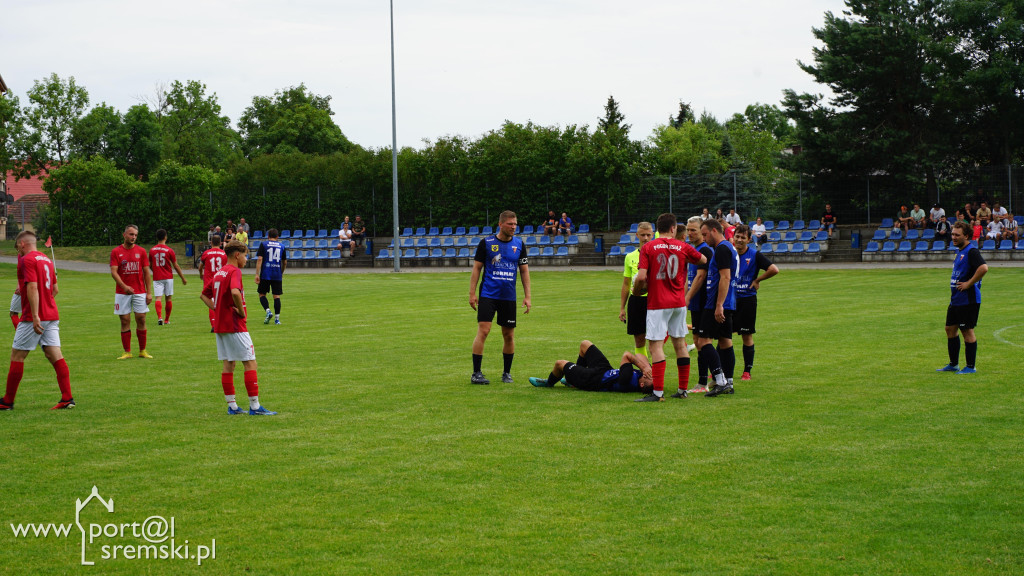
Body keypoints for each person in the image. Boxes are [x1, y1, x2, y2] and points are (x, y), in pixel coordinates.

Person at [632, 213, 706, 401]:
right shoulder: (683, 246)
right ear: (673, 228)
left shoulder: (648, 247)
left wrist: (637, 291)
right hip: (678, 303)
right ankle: (682, 390)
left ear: (657, 229)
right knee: (680, 344)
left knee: (655, 346)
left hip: (658, 303)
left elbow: (641, 277)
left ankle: (657, 393)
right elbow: (703, 260)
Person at [200, 240, 277, 415]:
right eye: (245, 255)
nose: (246, 259)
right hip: (235, 324)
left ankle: (233, 406)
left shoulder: (219, 273)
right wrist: (241, 312)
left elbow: (203, 295)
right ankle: (255, 406)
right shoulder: (234, 271)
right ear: (237, 255)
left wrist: (216, 308)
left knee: (229, 364)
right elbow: (235, 292)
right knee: (250, 363)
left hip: (221, 325)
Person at [0, 231, 74, 410]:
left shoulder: (27, 260)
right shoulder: (47, 260)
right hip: (52, 314)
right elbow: (55, 289)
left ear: (22, 244)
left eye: (17, 246)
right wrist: (46, 304)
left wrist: (35, 315)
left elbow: (32, 287)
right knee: (54, 354)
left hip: (34, 316)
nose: (17, 250)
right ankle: (67, 398)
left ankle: (7, 401)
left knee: (17, 355)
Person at [469, 210, 531, 384]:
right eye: (510, 224)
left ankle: (506, 373)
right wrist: (472, 293)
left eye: (515, 224)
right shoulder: (486, 243)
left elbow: (524, 272)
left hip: (508, 297)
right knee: (484, 330)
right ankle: (476, 373)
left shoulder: (519, 244)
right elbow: (476, 269)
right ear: (501, 224)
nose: (513, 227)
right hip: (488, 294)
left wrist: (528, 297)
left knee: (509, 335)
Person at [936, 221, 988, 375]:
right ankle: (953, 364)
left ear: (966, 236)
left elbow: (983, 268)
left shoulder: (972, 251)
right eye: (952, 234)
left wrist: (968, 284)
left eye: (957, 235)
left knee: (967, 331)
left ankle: (970, 367)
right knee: (950, 329)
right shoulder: (960, 251)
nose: (953, 237)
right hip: (956, 300)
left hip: (968, 300)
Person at [696, 218, 740, 397]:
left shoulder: (722, 248)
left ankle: (720, 380)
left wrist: (718, 305)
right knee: (725, 340)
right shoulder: (730, 247)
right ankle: (728, 381)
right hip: (728, 302)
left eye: (705, 234)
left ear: (715, 230)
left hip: (717, 303)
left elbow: (725, 277)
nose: (704, 238)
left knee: (703, 341)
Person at [731, 225, 779, 381]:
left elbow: (774, 269)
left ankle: (747, 371)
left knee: (746, 335)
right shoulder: (728, 253)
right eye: (737, 236)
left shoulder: (755, 255)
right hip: (729, 299)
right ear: (733, 236)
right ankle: (722, 370)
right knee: (724, 336)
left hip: (747, 300)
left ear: (749, 239)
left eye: (743, 237)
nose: (739, 240)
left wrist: (757, 280)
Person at [527, 340, 653, 394]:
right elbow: (640, 355)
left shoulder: (628, 379)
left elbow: (627, 355)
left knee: (560, 364)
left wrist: (644, 367)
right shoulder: (640, 378)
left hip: (593, 380)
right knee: (585, 345)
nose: (649, 374)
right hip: (605, 371)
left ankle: (548, 383)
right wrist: (647, 367)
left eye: (649, 377)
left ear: (642, 385)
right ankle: (572, 382)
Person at [110, 224, 153, 360]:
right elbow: (113, 272)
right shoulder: (116, 252)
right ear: (124, 235)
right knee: (125, 320)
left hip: (139, 291)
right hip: (122, 293)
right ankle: (127, 352)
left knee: (141, 318)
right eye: (131, 234)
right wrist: (124, 286)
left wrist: (149, 292)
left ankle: (143, 351)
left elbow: (146, 273)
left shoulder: (141, 251)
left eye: (135, 235)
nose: (133, 237)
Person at [684, 216, 715, 394]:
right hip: (696, 303)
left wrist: (687, 298)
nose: (690, 233)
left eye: (693, 230)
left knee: (704, 341)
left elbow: (700, 277)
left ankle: (706, 380)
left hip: (704, 302)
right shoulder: (694, 249)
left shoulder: (704, 251)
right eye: (688, 230)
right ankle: (709, 378)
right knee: (697, 341)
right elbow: (691, 277)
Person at [619, 221, 654, 361]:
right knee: (639, 340)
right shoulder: (630, 257)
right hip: (636, 301)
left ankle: (655, 373)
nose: (645, 238)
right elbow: (626, 283)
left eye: (648, 235)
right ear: (637, 235)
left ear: (652, 234)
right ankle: (646, 371)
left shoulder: (657, 255)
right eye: (642, 235)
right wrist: (622, 308)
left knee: (654, 340)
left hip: (653, 300)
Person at [150, 229, 188, 326]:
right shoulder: (169, 250)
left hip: (157, 277)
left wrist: (155, 271)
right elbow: (176, 265)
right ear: (165, 237)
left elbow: (150, 265)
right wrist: (182, 278)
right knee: (168, 299)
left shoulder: (152, 250)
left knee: (158, 298)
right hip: (168, 277)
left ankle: (160, 317)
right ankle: (166, 320)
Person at [255, 228, 288, 325]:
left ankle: (268, 311)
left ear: (268, 236)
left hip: (265, 273)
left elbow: (260, 259)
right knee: (276, 296)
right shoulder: (282, 246)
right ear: (277, 237)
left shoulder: (264, 244)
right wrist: (281, 272)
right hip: (277, 274)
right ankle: (277, 319)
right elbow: (285, 262)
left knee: (262, 294)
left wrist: (257, 274)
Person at [200, 235, 227, 331]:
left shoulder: (206, 253)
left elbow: (200, 266)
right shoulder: (224, 254)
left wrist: (200, 274)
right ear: (220, 243)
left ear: (211, 242)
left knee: (210, 302)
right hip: (221, 280)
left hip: (209, 281)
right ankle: (222, 322)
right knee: (221, 302)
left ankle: (214, 324)